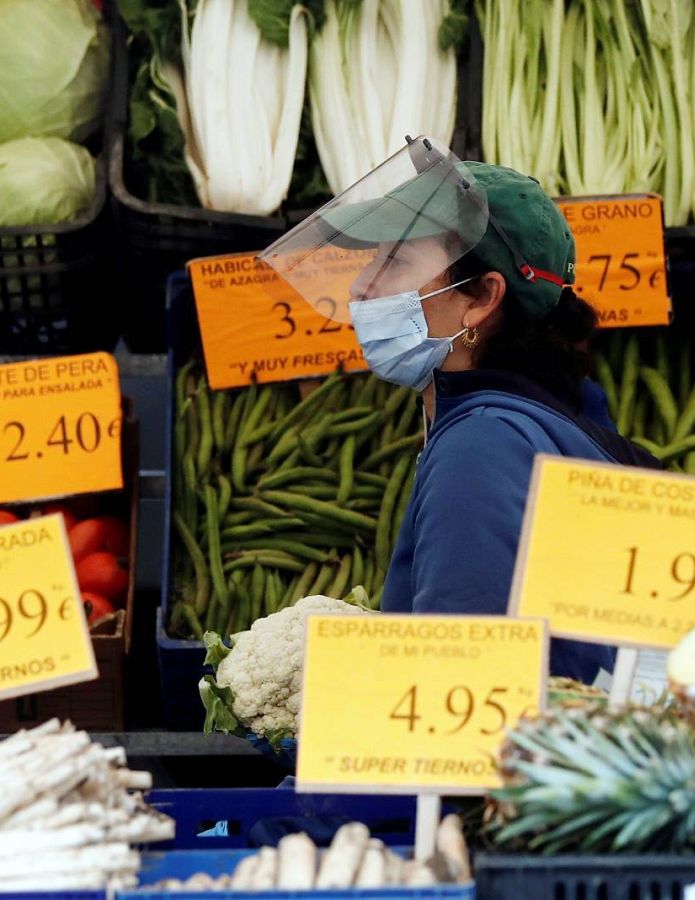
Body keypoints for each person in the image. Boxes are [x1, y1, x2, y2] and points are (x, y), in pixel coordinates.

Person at [260, 140, 655, 682]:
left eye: (394, 261)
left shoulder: (480, 448)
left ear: (482, 298)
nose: (361, 286)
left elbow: (459, 693)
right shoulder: (549, 425)